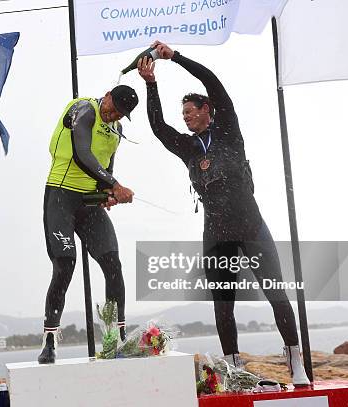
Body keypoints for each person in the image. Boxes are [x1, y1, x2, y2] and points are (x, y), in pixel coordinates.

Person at [136, 41, 310, 386]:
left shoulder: (229, 132)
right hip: (216, 233)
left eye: (190, 110)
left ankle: (295, 360)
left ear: (207, 110)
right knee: (223, 304)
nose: (184, 115)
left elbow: (213, 83)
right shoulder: (187, 148)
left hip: (250, 227)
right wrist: (151, 85)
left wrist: (175, 58)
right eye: (183, 111)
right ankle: (234, 368)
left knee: (276, 292)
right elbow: (158, 127)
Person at [38, 85, 138, 364]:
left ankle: (116, 337)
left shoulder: (116, 129)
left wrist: (108, 192)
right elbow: (82, 153)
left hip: (89, 203)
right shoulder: (84, 109)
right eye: (113, 108)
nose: (113, 115)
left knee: (113, 263)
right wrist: (115, 186)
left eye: (120, 113)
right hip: (60, 196)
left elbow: (107, 168)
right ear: (106, 95)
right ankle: (49, 340)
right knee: (64, 264)